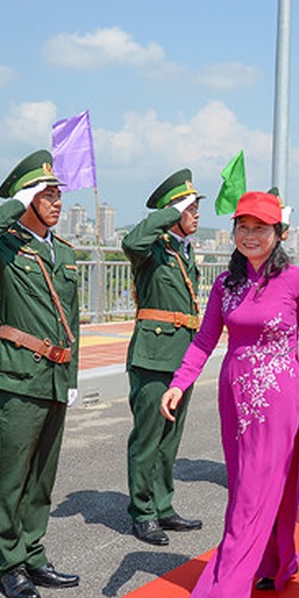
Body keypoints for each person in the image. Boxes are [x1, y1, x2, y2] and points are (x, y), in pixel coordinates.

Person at [160, 191, 299, 598]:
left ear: (278, 234)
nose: (251, 235)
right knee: (249, 486)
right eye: (244, 227)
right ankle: (278, 562)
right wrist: (179, 383)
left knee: (250, 495)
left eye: (261, 228)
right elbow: (204, 341)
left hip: (280, 397)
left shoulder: (297, 281)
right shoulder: (225, 285)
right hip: (234, 397)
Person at [0, 150, 81, 598]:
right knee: (12, 476)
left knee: (42, 476)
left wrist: (71, 376)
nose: (55, 202)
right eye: (45, 194)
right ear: (27, 197)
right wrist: (15, 204)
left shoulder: (63, 252)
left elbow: (72, 319)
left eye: (56, 193)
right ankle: (10, 564)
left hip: (53, 377)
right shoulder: (4, 247)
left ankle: (34, 552)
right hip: (17, 376)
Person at [122, 169, 205, 545]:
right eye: (190, 207)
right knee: (149, 437)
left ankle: (163, 504)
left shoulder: (183, 253)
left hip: (181, 356)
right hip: (153, 355)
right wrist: (170, 212)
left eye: (196, 206)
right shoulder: (152, 248)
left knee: (170, 438)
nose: (196, 213)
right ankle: (142, 512)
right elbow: (132, 240)